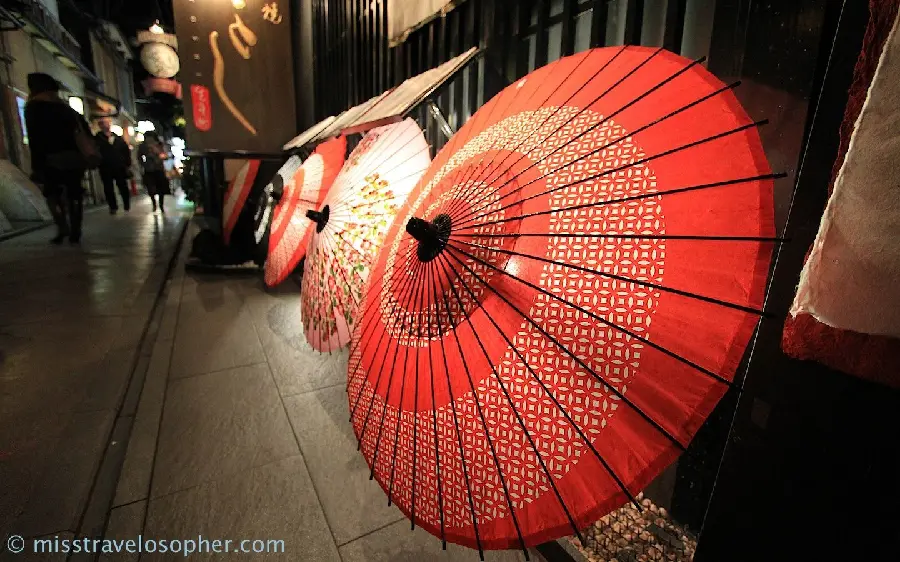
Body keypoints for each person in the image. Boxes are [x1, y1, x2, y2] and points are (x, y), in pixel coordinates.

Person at [24, 72, 90, 244]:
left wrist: (36, 165)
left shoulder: (34, 108)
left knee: (52, 194)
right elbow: (85, 130)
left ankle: (62, 227)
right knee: (74, 193)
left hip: (50, 158)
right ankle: (76, 229)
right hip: (74, 158)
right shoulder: (66, 108)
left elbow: (35, 138)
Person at [94, 117, 132, 214]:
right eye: (102, 123)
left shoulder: (117, 138)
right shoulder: (97, 139)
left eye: (106, 123)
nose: (105, 125)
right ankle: (113, 207)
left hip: (119, 165)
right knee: (108, 187)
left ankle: (126, 204)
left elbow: (125, 151)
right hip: (105, 166)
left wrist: (127, 163)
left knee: (122, 185)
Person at [138, 132, 170, 213]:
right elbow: (139, 157)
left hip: (159, 168)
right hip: (149, 169)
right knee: (151, 188)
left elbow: (165, 155)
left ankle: (161, 205)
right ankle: (154, 204)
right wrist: (144, 164)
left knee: (160, 188)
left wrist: (158, 155)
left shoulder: (159, 145)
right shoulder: (143, 146)